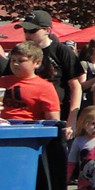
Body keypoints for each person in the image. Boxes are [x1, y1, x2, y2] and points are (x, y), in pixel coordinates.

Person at [20, 10, 85, 139]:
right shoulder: (22, 52)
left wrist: (72, 118)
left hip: (57, 112)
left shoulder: (61, 51)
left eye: (32, 31)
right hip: (30, 113)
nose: (27, 34)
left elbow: (75, 86)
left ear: (47, 30)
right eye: (25, 30)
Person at [0, 42, 62, 122]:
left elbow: (53, 119)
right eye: (13, 60)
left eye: (21, 61)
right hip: (0, 127)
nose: (15, 64)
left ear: (37, 63)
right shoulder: (2, 81)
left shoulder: (44, 87)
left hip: (28, 128)